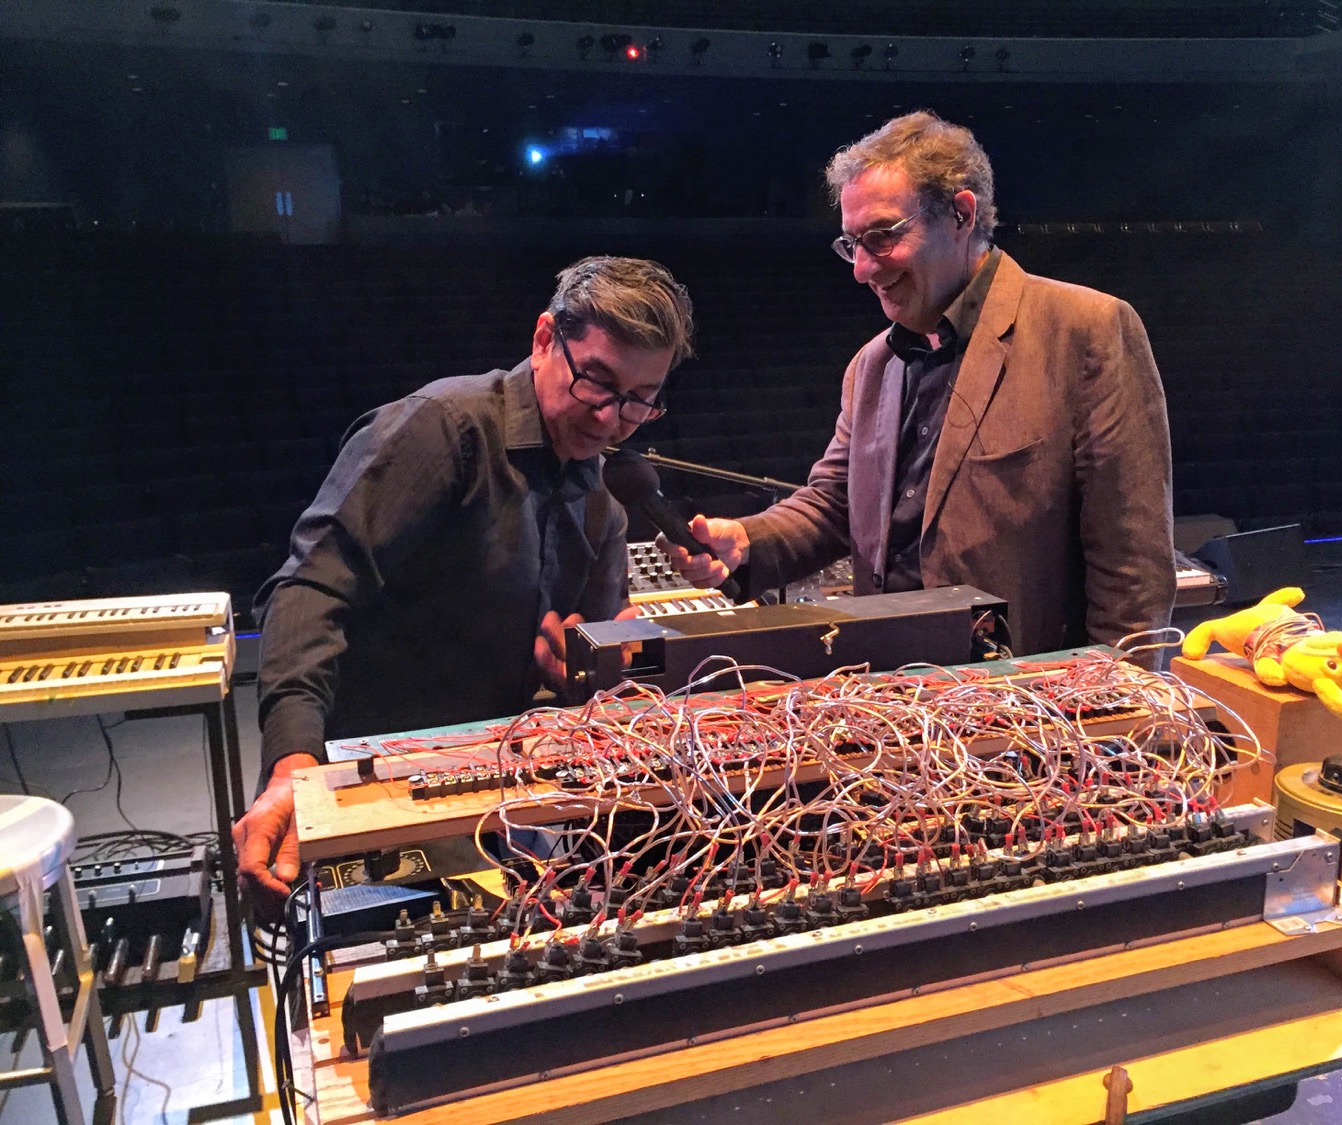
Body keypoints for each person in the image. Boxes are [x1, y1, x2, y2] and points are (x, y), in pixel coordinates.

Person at [233, 256, 694, 913]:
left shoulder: (601, 498)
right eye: (597, 381)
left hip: (485, 804)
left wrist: (590, 667)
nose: (609, 418)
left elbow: (599, 640)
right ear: (544, 339)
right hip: (362, 793)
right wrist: (292, 766)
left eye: (639, 401)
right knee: (367, 976)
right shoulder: (443, 430)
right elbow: (309, 588)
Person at [668, 111, 1174, 659]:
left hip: (1034, 706)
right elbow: (835, 504)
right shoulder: (871, 366)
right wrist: (744, 541)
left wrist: (1116, 710)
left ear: (960, 214)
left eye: (882, 237)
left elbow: (1133, 571)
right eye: (851, 244)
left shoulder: (1086, 330)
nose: (861, 269)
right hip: (890, 695)